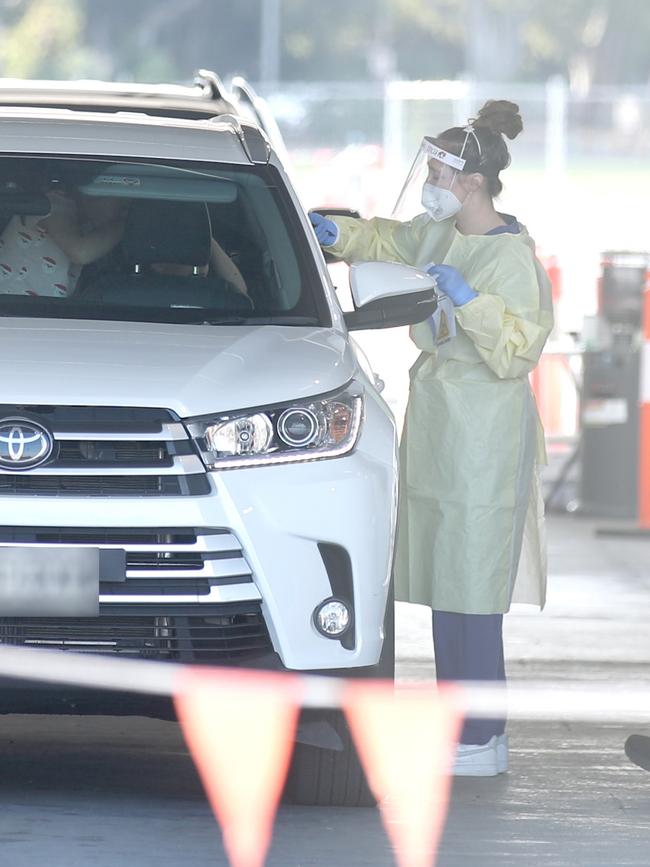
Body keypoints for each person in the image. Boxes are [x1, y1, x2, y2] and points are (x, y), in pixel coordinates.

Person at [310, 100, 553, 777]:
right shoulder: (443, 235)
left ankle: (480, 733)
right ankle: (466, 726)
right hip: (445, 427)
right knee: (451, 585)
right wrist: (340, 235)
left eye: (441, 169)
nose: (433, 179)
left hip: (485, 437)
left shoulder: (512, 255)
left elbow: (517, 349)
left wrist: (470, 301)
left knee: (474, 590)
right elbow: (393, 241)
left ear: (470, 180)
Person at [0, 187, 126, 298]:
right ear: (98, 196)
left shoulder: (87, 227)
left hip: (36, 311)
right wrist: (126, 224)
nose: (121, 212)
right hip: (13, 307)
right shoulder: (54, 203)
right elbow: (80, 252)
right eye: (122, 207)